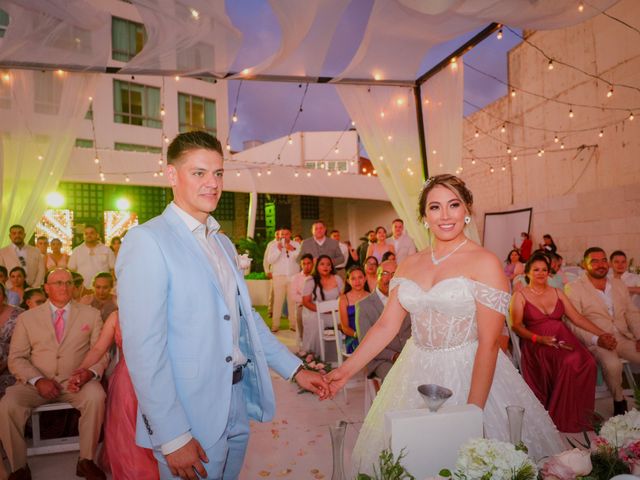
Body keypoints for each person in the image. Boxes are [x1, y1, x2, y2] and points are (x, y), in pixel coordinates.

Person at [116, 131, 327, 480]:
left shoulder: (223, 243)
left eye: (218, 174)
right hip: (189, 411)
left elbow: (248, 323)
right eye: (199, 173)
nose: (212, 184)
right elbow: (143, 349)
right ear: (173, 175)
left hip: (236, 399)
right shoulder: (147, 241)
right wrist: (172, 435)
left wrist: (295, 370)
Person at [324, 174, 564, 476]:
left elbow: (490, 343)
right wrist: (344, 372)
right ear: (425, 216)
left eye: (454, 205)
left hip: (470, 368)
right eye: (435, 207)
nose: (445, 215)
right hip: (413, 369)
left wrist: (471, 414)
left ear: (467, 210)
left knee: (469, 462)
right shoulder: (409, 263)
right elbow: (386, 326)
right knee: (410, 461)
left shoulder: (485, 262)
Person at [0, 268, 108, 480]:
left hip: (76, 382)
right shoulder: (27, 318)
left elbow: (101, 354)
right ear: (46, 288)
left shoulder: (91, 315)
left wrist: (88, 374)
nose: (63, 287)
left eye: (68, 282)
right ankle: (19, 466)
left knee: (97, 397)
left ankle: (86, 460)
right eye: (57, 283)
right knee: (7, 405)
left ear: (74, 287)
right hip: (34, 384)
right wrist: (38, 380)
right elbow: (16, 358)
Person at [510, 253, 615, 432]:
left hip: (563, 336)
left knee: (588, 362)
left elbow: (578, 318)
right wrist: (538, 339)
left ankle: (580, 413)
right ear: (527, 273)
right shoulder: (520, 296)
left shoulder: (558, 292)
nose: (541, 273)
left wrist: (602, 333)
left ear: (549, 273)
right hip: (537, 343)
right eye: (536, 270)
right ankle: (561, 415)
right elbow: (516, 326)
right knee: (569, 361)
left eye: (544, 270)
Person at [71, 311, 159, 480]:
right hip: (127, 379)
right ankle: (137, 471)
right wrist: (81, 370)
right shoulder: (115, 316)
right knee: (127, 429)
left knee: (156, 424)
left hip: (156, 375)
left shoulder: (158, 307)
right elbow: (98, 348)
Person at [565, 247, 640, 416]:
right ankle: (619, 402)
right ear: (585, 265)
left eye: (603, 260)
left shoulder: (618, 284)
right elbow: (572, 323)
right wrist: (595, 339)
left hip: (622, 336)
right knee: (613, 365)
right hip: (597, 340)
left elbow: (632, 313)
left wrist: (639, 336)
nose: (601, 265)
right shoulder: (574, 288)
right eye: (595, 261)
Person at [355, 260, 411, 381]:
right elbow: (365, 344)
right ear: (376, 276)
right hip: (381, 359)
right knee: (397, 381)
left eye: (394, 274)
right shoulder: (364, 306)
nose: (390, 278)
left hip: (408, 354)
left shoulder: (407, 300)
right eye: (385, 273)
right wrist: (393, 356)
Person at [301, 255, 344, 355]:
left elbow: (343, 298)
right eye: (322, 264)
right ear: (317, 266)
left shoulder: (337, 278)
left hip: (335, 311)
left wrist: (335, 309)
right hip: (316, 312)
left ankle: (344, 350)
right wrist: (323, 309)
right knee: (314, 319)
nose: (325, 267)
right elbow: (306, 302)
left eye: (328, 265)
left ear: (331, 267)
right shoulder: (310, 280)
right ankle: (314, 355)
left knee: (348, 316)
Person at [264, 227, 300, 332]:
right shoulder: (273, 245)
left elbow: (299, 259)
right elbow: (270, 260)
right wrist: (279, 250)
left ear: (290, 234)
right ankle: (275, 325)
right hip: (279, 276)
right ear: (279, 235)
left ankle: (293, 324)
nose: (284, 236)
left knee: (292, 301)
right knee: (278, 302)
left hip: (293, 276)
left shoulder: (296, 245)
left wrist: (291, 249)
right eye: (282, 234)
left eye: (286, 234)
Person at [338, 266, 369, 354]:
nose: (357, 281)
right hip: (353, 337)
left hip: (371, 335)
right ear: (348, 281)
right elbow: (345, 327)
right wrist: (358, 335)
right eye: (353, 278)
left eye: (360, 277)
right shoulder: (344, 299)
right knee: (364, 349)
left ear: (365, 278)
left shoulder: (371, 296)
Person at [0, 284, 23, 397]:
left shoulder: (19, 315)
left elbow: (23, 346)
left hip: (13, 366)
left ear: (4, 296)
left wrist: (5, 364)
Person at [288, 254, 314, 344]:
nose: (306, 266)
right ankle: (303, 342)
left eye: (309, 263)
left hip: (315, 305)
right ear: (301, 265)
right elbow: (293, 295)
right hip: (301, 305)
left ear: (313, 264)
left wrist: (309, 301)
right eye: (304, 264)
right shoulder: (296, 278)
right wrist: (306, 301)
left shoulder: (316, 277)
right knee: (300, 312)